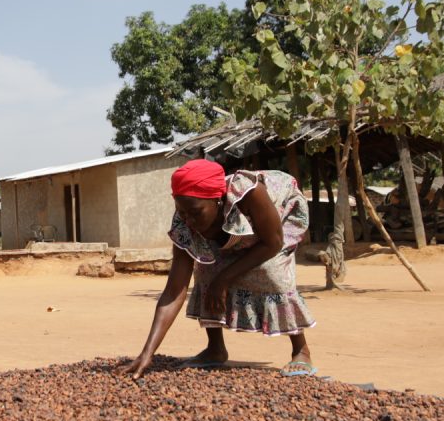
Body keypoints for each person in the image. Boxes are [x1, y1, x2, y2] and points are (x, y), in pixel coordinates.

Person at [120, 159, 316, 379]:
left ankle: (301, 349)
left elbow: (273, 243)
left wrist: (223, 280)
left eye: (195, 213)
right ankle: (215, 348)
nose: (189, 220)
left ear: (217, 200)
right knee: (205, 271)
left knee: (272, 273)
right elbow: (174, 289)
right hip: (235, 232)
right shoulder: (184, 221)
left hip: (278, 219)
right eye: (182, 213)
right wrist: (148, 353)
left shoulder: (251, 194)